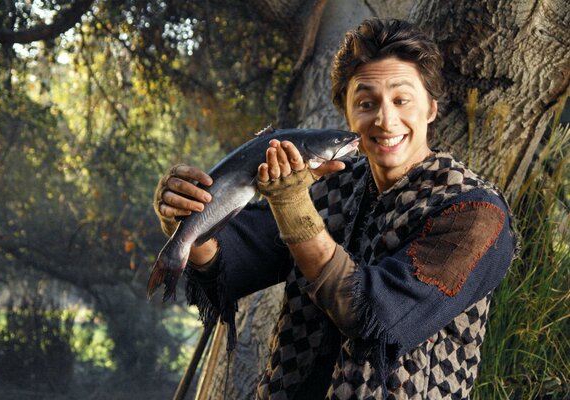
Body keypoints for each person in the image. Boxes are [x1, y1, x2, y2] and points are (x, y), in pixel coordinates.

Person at [153, 18, 517, 399]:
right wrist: (187, 218)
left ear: (431, 109)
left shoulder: (475, 214)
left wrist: (293, 205)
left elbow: (376, 316)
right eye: (366, 102)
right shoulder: (329, 183)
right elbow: (230, 265)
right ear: (346, 113)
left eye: (401, 99)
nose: (385, 119)